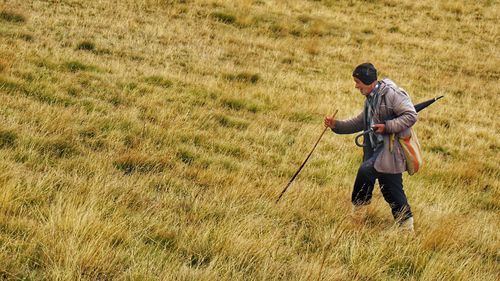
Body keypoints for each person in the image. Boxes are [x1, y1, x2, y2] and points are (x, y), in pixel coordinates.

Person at [324, 63, 416, 231]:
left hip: (391, 151)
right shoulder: (371, 98)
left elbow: (410, 116)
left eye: (358, 82)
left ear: (368, 81)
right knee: (392, 190)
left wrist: (387, 126)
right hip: (377, 151)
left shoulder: (392, 94)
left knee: (366, 171)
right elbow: (360, 122)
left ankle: (357, 217)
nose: (356, 86)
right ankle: (406, 229)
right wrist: (336, 125)